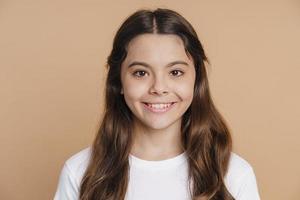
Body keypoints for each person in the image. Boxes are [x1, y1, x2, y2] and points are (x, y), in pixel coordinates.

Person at [54, 8, 260, 200]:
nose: (159, 88)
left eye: (175, 72)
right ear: (119, 82)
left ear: (196, 80)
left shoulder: (234, 175)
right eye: (141, 73)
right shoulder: (79, 172)